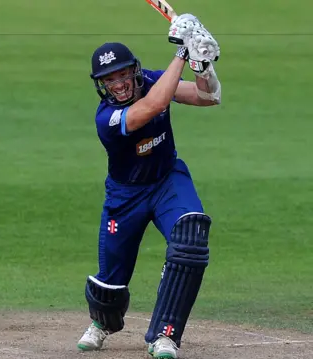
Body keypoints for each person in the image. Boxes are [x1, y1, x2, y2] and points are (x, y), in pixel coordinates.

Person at [76, 14, 221, 359]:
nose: (120, 83)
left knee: (190, 241)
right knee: (110, 285)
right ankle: (103, 323)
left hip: (167, 180)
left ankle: (164, 336)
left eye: (123, 73)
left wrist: (203, 66)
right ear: (102, 84)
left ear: (133, 70)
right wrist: (182, 53)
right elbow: (154, 105)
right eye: (110, 79)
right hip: (126, 195)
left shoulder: (153, 80)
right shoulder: (107, 119)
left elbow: (209, 97)